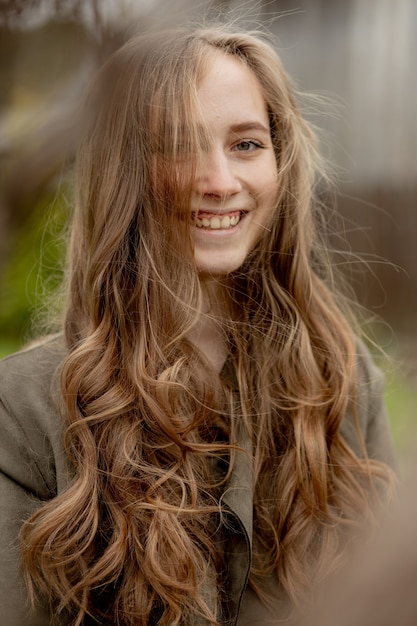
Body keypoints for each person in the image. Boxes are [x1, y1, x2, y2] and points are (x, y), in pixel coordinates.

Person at [0, 25, 396, 626]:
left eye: (246, 145)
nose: (218, 181)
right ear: (121, 171)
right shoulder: (24, 408)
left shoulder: (341, 379)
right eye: (179, 145)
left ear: (280, 163)